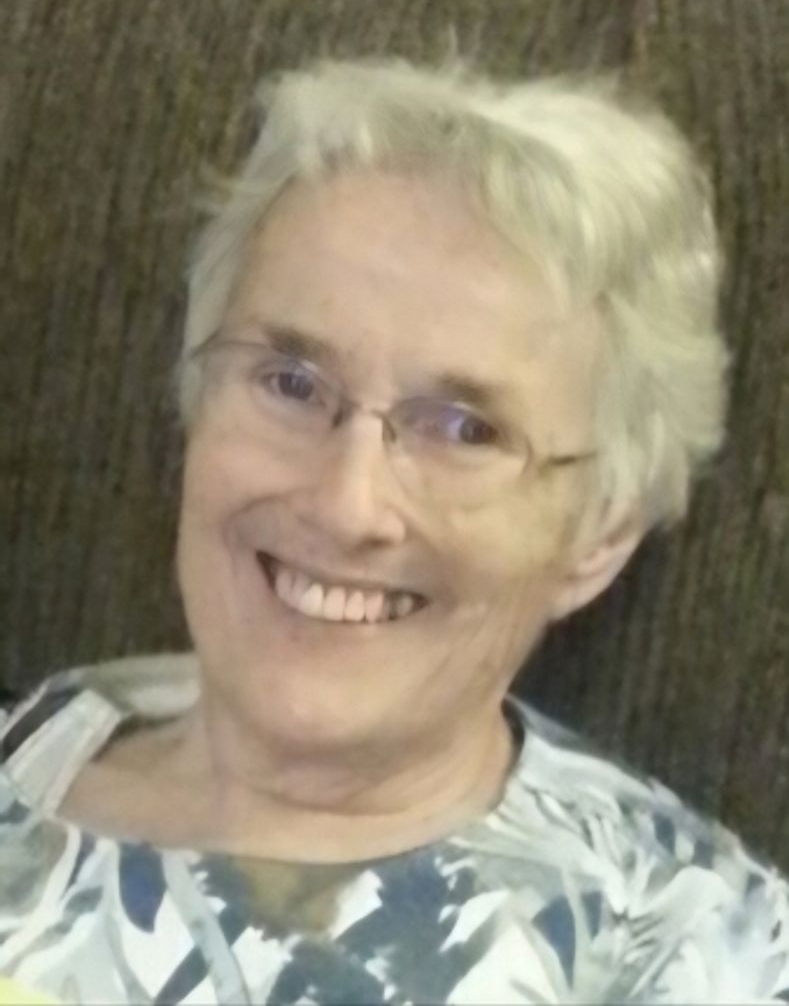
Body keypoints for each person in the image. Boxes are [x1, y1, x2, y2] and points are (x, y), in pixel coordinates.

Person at [1, 57, 787, 1004]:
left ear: (600, 532)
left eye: (465, 430)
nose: (347, 504)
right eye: (291, 383)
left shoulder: (693, 953)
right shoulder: (50, 727)